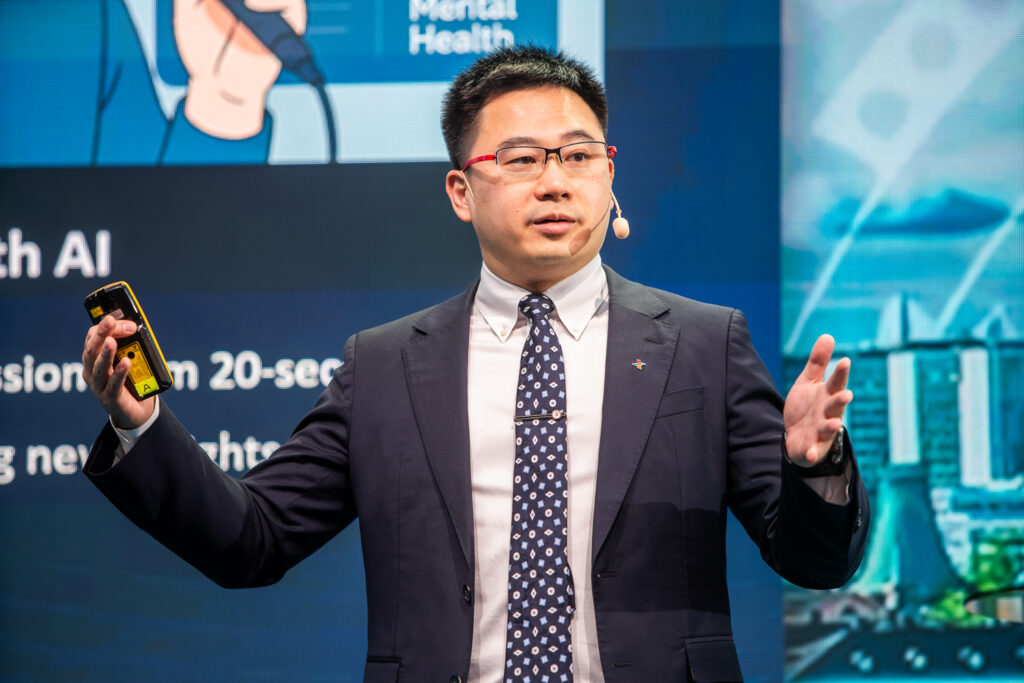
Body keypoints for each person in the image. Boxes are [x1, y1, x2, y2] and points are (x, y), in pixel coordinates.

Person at [81, 46, 868, 683]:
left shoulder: (703, 345)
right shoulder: (384, 366)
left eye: (578, 155)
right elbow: (250, 540)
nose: (555, 181)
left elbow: (815, 560)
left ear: (609, 175)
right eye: (521, 159)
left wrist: (814, 465)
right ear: (461, 191)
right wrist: (140, 424)